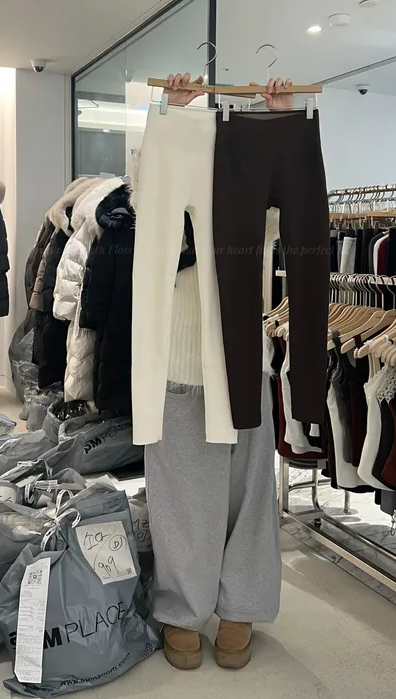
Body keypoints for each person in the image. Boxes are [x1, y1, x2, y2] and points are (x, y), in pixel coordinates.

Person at [144, 73, 293, 671]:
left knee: (250, 493)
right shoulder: (158, 193)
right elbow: (147, 197)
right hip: (176, 365)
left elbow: (286, 208)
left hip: (242, 361)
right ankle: (182, 609)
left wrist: (278, 123)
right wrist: (171, 116)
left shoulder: (249, 188)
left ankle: (241, 606)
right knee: (182, 497)